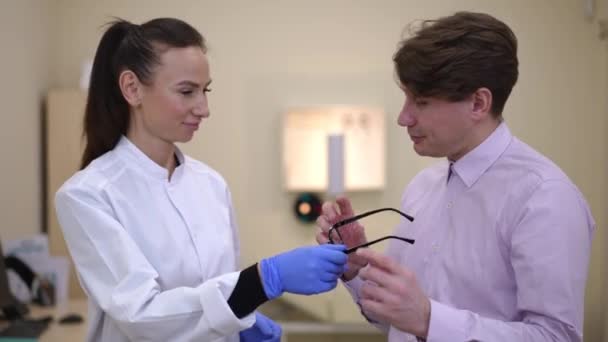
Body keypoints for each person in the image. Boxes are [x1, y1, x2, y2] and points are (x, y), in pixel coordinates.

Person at [54, 17, 348, 342]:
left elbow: (220, 291)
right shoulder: (87, 195)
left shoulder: (211, 185)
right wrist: (262, 281)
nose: (204, 108)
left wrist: (241, 324)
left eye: (204, 90)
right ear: (132, 88)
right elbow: (141, 315)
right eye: (186, 91)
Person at [316, 11, 595, 342]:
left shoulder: (544, 198)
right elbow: (399, 322)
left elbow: (555, 336)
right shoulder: (422, 188)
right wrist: (356, 267)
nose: (403, 118)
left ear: (478, 103)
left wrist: (429, 320)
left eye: (420, 101)